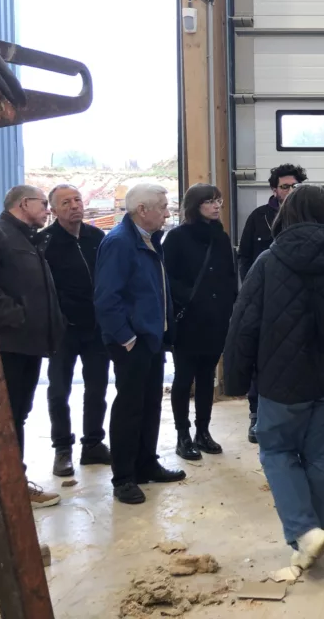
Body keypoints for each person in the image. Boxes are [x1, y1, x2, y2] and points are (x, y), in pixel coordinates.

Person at [224, 185, 324, 573]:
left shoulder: (269, 260)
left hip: (282, 379)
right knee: (321, 457)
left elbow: (243, 323)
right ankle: (310, 538)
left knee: (277, 450)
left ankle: (304, 532)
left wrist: (236, 380)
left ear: (287, 214)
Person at [94, 183, 186, 505]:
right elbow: (106, 298)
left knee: (150, 405)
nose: (167, 213)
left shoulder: (149, 239)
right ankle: (123, 478)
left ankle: (146, 464)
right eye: (162, 207)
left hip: (151, 339)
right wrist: (127, 338)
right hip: (132, 342)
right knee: (130, 409)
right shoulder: (120, 242)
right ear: (142, 210)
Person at [0, 185, 65, 508]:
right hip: (6, 344)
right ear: (24, 203)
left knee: (15, 417)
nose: (48, 210)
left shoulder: (29, 239)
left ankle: (1, 489)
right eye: (43, 204)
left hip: (28, 343)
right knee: (3, 419)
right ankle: (2, 492)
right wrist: (16, 316)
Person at [36, 184, 111, 478]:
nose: (74, 206)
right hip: (63, 330)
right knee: (58, 391)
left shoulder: (97, 237)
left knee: (97, 388)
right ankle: (62, 449)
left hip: (95, 328)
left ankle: (93, 444)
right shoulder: (45, 242)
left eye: (77, 200)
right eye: (66, 202)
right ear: (54, 210)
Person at [163, 184, 238, 461]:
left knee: (207, 377)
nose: (216, 206)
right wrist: (191, 300)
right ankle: (182, 435)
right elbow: (167, 278)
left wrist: (229, 307)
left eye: (218, 200)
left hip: (216, 319)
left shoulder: (220, 236)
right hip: (188, 320)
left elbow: (229, 276)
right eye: (209, 201)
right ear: (195, 205)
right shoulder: (176, 237)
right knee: (184, 378)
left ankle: (203, 431)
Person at [238, 163, 307, 444]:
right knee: (261, 358)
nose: (289, 191)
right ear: (274, 189)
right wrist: (252, 290)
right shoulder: (258, 217)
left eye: (294, 186)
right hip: (265, 300)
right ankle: (257, 416)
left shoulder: (310, 217)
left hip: (300, 302)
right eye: (284, 186)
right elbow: (244, 256)